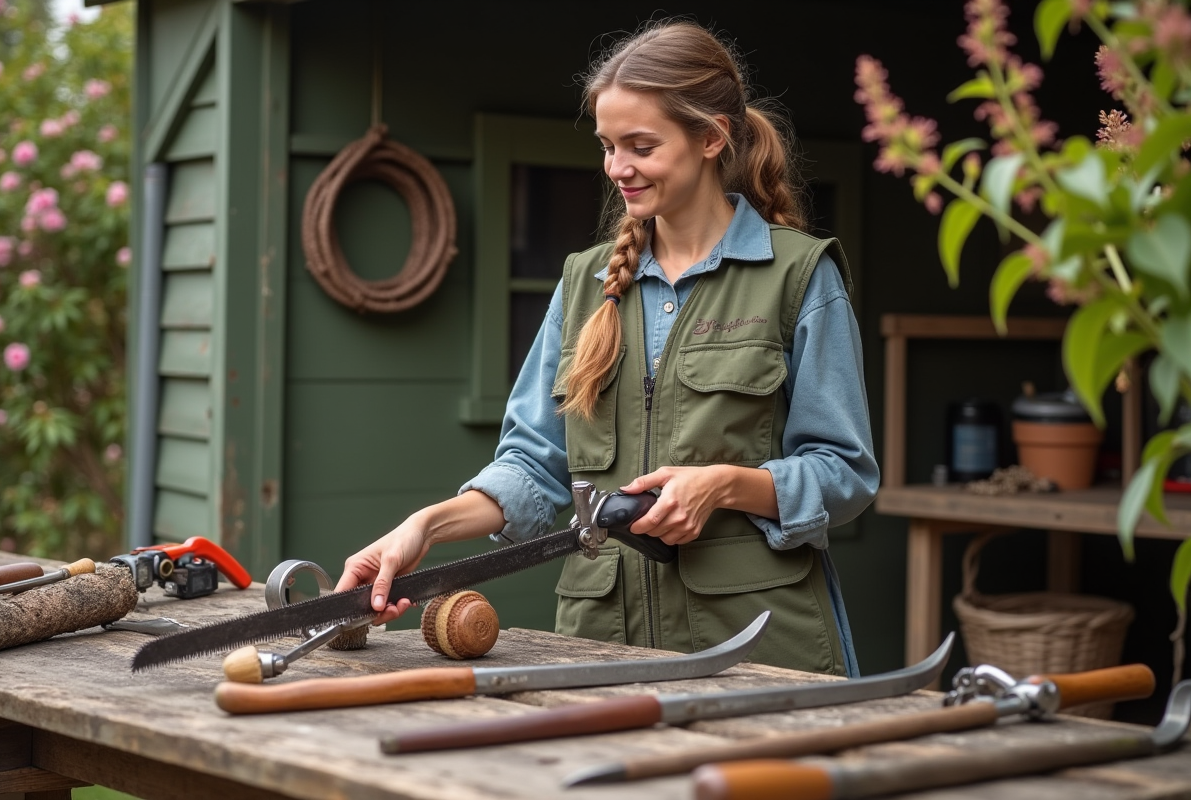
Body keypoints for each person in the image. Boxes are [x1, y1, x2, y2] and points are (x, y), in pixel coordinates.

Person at [335, 20, 878, 676]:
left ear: (712, 138)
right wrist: (424, 526)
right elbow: (533, 466)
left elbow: (845, 472)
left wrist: (724, 485)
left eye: (641, 146)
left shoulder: (799, 274)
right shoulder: (584, 283)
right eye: (608, 145)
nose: (618, 168)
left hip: (758, 648)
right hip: (603, 644)